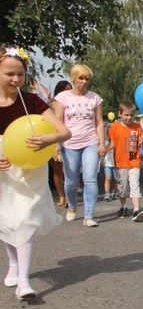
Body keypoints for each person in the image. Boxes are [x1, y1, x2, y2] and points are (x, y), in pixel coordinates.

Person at [1, 46, 71, 299]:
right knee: (7, 219)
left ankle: (24, 281)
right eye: (9, 73)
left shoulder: (32, 101)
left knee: (26, 219)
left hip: (30, 168)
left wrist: (48, 139)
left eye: (20, 74)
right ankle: (14, 264)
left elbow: (64, 132)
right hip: (3, 167)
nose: (15, 79)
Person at [54, 64, 106, 227]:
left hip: (90, 142)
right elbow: (57, 122)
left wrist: (101, 143)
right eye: (81, 78)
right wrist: (56, 145)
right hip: (69, 144)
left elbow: (99, 122)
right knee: (71, 181)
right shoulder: (62, 98)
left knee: (90, 178)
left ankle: (89, 216)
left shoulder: (94, 98)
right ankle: (72, 206)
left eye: (87, 79)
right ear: (73, 78)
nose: (84, 82)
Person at [106, 101, 143, 222]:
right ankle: (123, 207)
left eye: (132, 115)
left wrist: (141, 141)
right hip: (120, 163)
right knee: (122, 187)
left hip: (134, 162)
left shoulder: (137, 127)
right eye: (126, 115)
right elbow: (112, 143)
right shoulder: (114, 127)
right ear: (120, 114)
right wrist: (104, 149)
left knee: (135, 185)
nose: (129, 118)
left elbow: (141, 144)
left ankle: (136, 210)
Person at [49, 80, 72, 206]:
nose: (67, 91)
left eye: (69, 89)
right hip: (54, 138)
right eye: (65, 89)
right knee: (57, 170)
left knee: (67, 170)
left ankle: (69, 197)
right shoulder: (52, 104)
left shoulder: (73, 102)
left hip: (69, 138)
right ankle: (61, 196)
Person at [101, 117, 117, 201]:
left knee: (116, 179)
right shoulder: (105, 142)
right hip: (107, 163)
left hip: (116, 163)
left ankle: (114, 192)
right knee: (108, 178)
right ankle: (107, 193)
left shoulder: (117, 142)